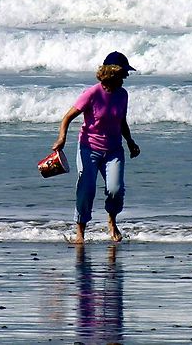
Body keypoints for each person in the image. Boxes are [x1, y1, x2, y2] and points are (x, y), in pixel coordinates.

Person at [53, 51, 140, 244]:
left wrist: (130, 141)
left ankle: (111, 220)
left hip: (114, 150)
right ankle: (80, 232)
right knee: (87, 189)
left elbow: (122, 121)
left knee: (115, 190)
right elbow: (67, 117)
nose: (126, 76)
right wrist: (62, 138)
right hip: (89, 148)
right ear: (112, 72)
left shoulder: (123, 95)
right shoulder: (92, 94)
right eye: (123, 72)